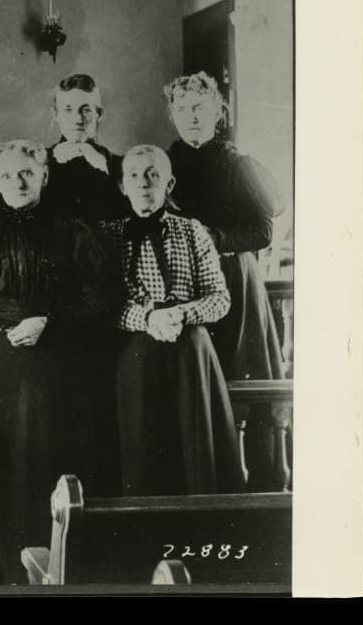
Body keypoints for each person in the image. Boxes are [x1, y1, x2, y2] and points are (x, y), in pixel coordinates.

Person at [0, 139, 116, 583]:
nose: (18, 181)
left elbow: (102, 299)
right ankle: (11, 574)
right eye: (8, 174)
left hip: (53, 366)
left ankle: (51, 573)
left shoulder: (71, 229)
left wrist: (49, 322)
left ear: (44, 177)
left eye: (27, 173)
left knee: (43, 466)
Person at [103, 145, 244, 496]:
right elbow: (104, 305)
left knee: (195, 449)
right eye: (134, 176)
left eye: (153, 174)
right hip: (137, 354)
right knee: (143, 450)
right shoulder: (108, 235)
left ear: (169, 183)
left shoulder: (191, 231)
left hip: (190, 355)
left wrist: (180, 313)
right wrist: (147, 317)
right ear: (122, 186)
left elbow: (219, 297)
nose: (144, 183)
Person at [163, 71, 286, 380]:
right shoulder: (163, 163)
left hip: (233, 278)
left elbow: (263, 231)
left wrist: (214, 239)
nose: (190, 116)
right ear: (172, 114)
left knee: (234, 372)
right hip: (181, 282)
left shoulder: (236, 163)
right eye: (182, 108)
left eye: (199, 108)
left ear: (216, 113)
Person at [41, 73, 128, 221]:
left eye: (86, 110)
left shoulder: (120, 166)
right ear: (56, 114)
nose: (77, 119)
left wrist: (103, 170)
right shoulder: (39, 162)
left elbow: (126, 218)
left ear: (99, 114)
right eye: (68, 110)